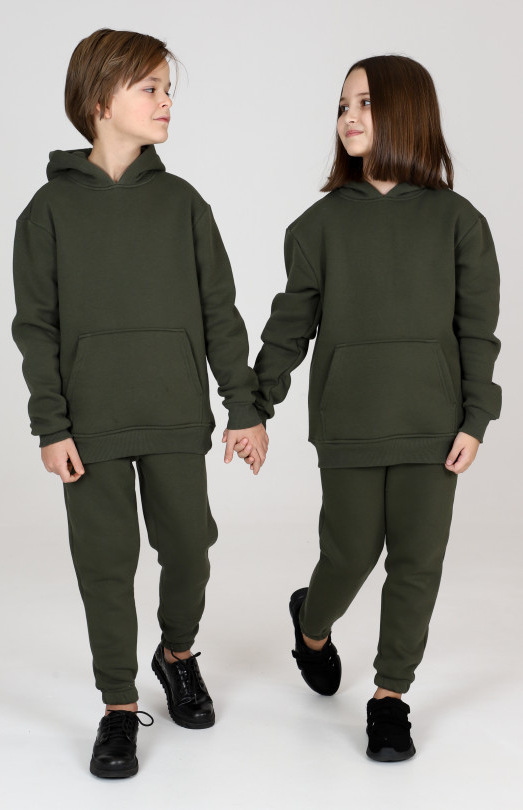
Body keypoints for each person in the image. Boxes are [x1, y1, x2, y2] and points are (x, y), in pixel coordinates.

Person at [11, 27, 268, 779]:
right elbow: (36, 327)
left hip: (175, 413)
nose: (165, 102)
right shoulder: (47, 212)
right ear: (99, 100)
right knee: (105, 563)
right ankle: (119, 707)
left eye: (168, 89)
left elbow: (220, 312)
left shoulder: (184, 204)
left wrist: (244, 407)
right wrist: (50, 424)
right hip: (89, 425)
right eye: (150, 88)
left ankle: (177, 654)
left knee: (189, 546)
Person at [233, 54, 502, 761]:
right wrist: (254, 407)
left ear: (408, 112)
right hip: (349, 421)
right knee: (350, 553)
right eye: (343, 105)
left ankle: (389, 698)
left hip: (433, 425)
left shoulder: (459, 222)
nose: (348, 117)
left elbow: (477, 332)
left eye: (365, 103)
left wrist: (476, 418)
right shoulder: (318, 226)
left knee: (416, 560)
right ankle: (311, 624)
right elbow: (289, 328)